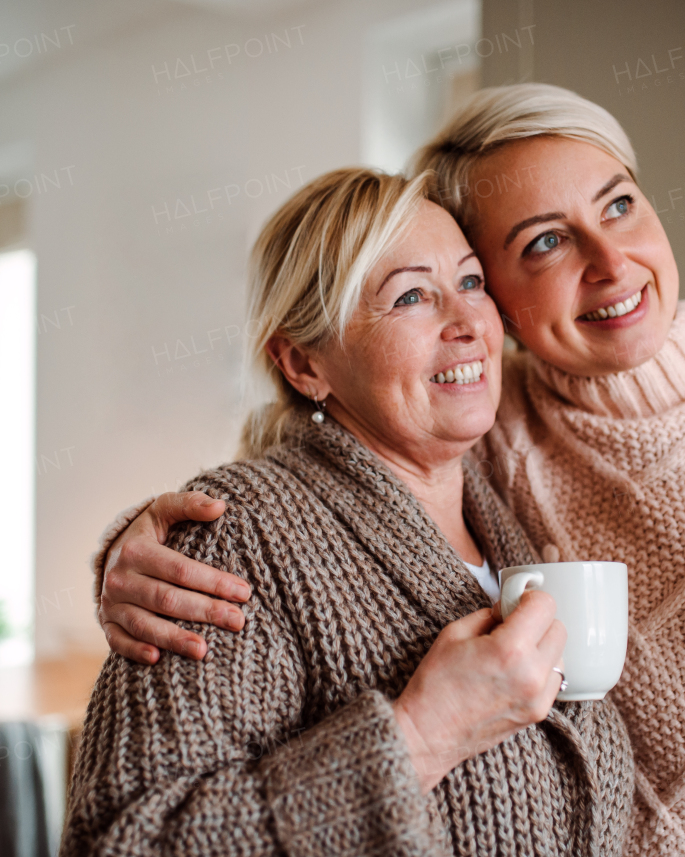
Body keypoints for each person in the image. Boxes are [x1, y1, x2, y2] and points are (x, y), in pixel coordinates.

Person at [93, 84, 685, 856]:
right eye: (543, 241)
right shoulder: (489, 434)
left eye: (619, 204)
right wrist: (137, 552)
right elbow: (317, 489)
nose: (612, 262)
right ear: (507, 291)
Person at [61, 167, 635, 857]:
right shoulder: (235, 541)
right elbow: (122, 843)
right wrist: (420, 736)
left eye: (472, 282)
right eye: (413, 295)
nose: (467, 323)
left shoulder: (509, 514)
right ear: (304, 363)